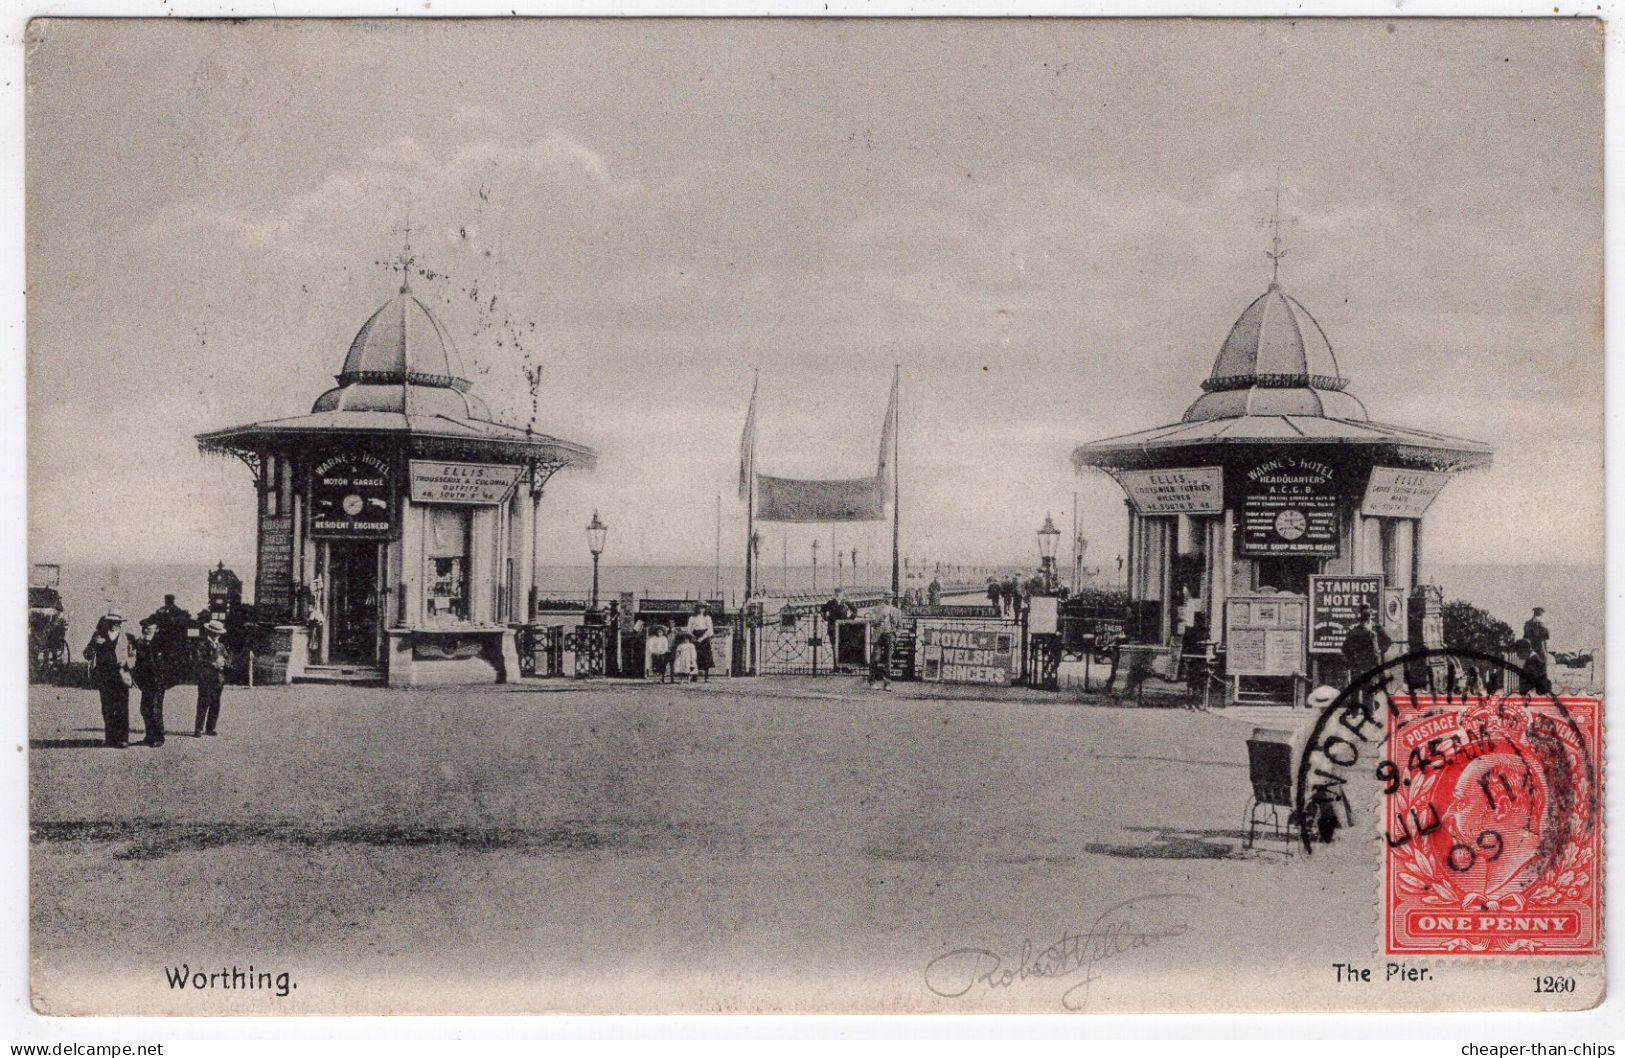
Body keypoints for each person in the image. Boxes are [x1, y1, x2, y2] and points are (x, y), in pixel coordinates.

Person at [83, 614, 134, 748]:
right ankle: (110, 738)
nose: (113, 625)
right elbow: (87, 654)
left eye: (116, 622)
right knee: (107, 708)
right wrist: (93, 644)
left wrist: (127, 662)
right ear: (107, 622)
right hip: (105, 676)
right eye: (110, 622)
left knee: (122, 708)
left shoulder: (127, 637)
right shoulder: (98, 635)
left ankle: (123, 739)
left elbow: (134, 656)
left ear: (120, 623)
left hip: (121, 676)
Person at [132, 618, 167, 747]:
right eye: (144, 628)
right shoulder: (140, 644)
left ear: (156, 629)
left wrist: (162, 678)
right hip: (146, 682)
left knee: (155, 709)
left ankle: (159, 737)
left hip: (157, 682)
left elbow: (164, 664)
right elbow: (138, 664)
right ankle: (149, 736)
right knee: (145, 709)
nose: (146, 630)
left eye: (149, 628)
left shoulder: (160, 644)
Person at [1341, 605, 1391, 693]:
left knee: (1365, 693)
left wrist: (1379, 650)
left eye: (1368, 615)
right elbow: (1345, 648)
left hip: (1369, 665)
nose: (1367, 619)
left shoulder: (1377, 628)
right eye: (1366, 616)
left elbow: (1387, 641)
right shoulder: (1355, 630)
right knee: (1361, 693)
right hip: (1361, 665)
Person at [194, 619, 229, 737]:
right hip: (206, 678)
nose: (217, 635)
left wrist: (224, 664)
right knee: (203, 703)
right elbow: (198, 659)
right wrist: (212, 663)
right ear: (209, 632)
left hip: (219, 679)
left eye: (218, 633)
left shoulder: (221, 646)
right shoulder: (201, 645)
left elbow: (228, 659)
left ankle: (210, 728)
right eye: (214, 633)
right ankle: (198, 729)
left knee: (215, 703)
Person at [867, 594, 905, 690]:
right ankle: (872, 681)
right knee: (875, 657)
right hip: (879, 636)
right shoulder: (876, 609)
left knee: (888, 660)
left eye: (890, 597)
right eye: (887, 597)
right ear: (883, 598)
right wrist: (880, 619)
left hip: (890, 635)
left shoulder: (897, 611)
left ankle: (887, 683)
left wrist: (896, 635)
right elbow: (872, 623)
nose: (889, 599)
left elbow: (900, 627)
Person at [687, 603, 715, 682]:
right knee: (694, 656)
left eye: (703, 608)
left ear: (705, 609)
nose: (701, 610)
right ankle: (694, 676)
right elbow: (688, 629)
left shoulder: (707, 618)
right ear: (696, 609)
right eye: (699, 608)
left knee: (706, 657)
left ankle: (706, 677)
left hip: (704, 638)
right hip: (695, 637)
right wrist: (693, 637)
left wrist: (702, 638)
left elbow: (710, 630)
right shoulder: (692, 618)